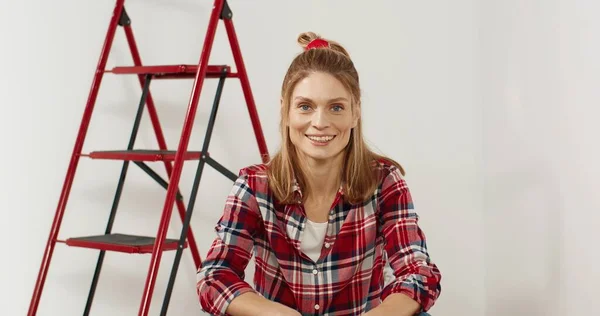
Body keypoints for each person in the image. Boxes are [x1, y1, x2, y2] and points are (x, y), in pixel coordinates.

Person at [196, 32, 442, 316]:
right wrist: (276, 314)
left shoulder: (384, 182)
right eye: (305, 107)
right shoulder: (254, 185)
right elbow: (215, 276)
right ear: (286, 112)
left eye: (336, 107)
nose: (320, 122)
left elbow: (418, 272)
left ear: (355, 113)